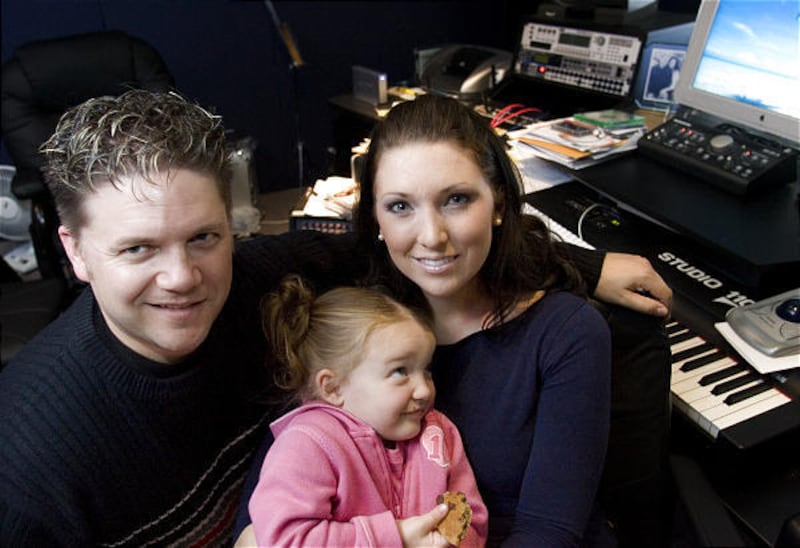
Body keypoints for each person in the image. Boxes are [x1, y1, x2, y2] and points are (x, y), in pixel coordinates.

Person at [0, 89, 670, 546]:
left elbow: (418, 243)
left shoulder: (256, 282)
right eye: (138, 248)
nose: (181, 278)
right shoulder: (27, 461)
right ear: (75, 252)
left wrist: (587, 266)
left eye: (204, 237)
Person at [248, 274, 487, 547]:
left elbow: (473, 519)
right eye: (400, 371)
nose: (423, 390)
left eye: (426, 370)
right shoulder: (307, 443)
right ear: (333, 388)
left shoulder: (440, 433)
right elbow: (287, 540)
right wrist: (397, 538)